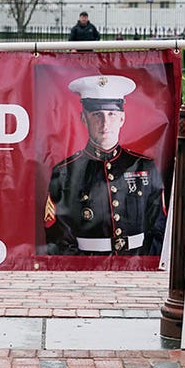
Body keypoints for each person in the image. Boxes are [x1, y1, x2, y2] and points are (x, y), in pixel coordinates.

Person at [43, 74, 166, 256]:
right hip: (87, 265)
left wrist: (142, 263)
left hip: (137, 262)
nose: (105, 123)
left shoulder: (144, 166)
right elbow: (56, 232)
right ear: (83, 119)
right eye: (96, 115)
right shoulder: (65, 172)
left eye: (111, 114)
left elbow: (159, 224)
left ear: (122, 119)